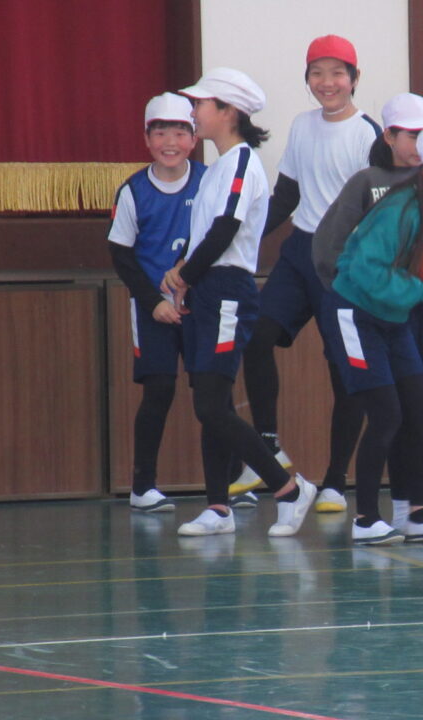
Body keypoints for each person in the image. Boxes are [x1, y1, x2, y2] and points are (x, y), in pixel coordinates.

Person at [313, 93, 423, 531]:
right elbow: (364, 271)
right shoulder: (399, 208)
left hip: (394, 315)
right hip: (356, 313)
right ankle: (366, 519)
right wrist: (421, 288)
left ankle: (418, 516)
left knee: (422, 409)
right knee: (386, 414)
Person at [162, 67, 317, 537]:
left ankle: (288, 488)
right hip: (205, 290)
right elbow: (204, 234)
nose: (192, 112)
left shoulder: (243, 164)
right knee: (212, 404)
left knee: (212, 406)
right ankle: (218, 507)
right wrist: (186, 275)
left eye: (200, 104)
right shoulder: (217, 168)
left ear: (228, 111)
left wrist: (184, 273)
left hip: (227, 292)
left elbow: (226, 229)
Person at [234, 34, 382, 515]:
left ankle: (336, 481)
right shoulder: (301, 125)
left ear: (355, 79)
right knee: (257, 336)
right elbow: (286, 197)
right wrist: (243, 239)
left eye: (337, 73)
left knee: (344, 370)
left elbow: (378, 209)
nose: (327, 82)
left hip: (345, 262)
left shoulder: (369, 135)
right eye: (317, 73)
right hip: (299, 252)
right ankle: (268, 448)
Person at [108, 92, 205, 513]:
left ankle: (229, 483)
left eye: (180, 133)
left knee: (212, 393)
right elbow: (122, 255)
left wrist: (190, 280)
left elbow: (220, 238)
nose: (170, 142)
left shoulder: (209, 181)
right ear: (147, 139)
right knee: (159, 390)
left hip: (201, 303)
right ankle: (142, 486)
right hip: (154, 308)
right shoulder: (133, 190)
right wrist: (152, 303)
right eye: (160, 133)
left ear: (194, 139)